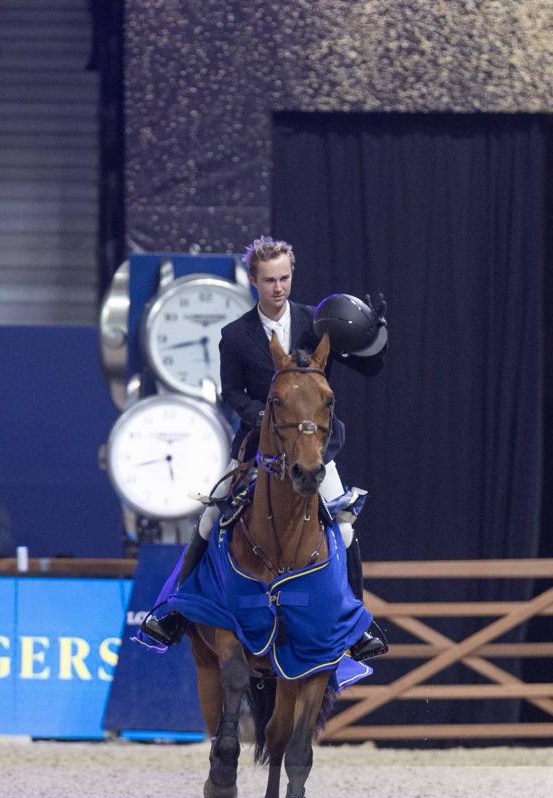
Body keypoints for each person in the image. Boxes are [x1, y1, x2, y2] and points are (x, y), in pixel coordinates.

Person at [141, 236, 389, 659]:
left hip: (314, 450)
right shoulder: (235, 335)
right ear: (254, 280)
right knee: (210, 517)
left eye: (285, 278)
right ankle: (175, 610)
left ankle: (356, 625)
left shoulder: (319, 324)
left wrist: (374, 333)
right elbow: (231, 393)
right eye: (270, 280)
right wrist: (265, 419)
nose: (279, 288)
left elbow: (369, 367)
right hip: (261, 447)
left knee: (345, 528)